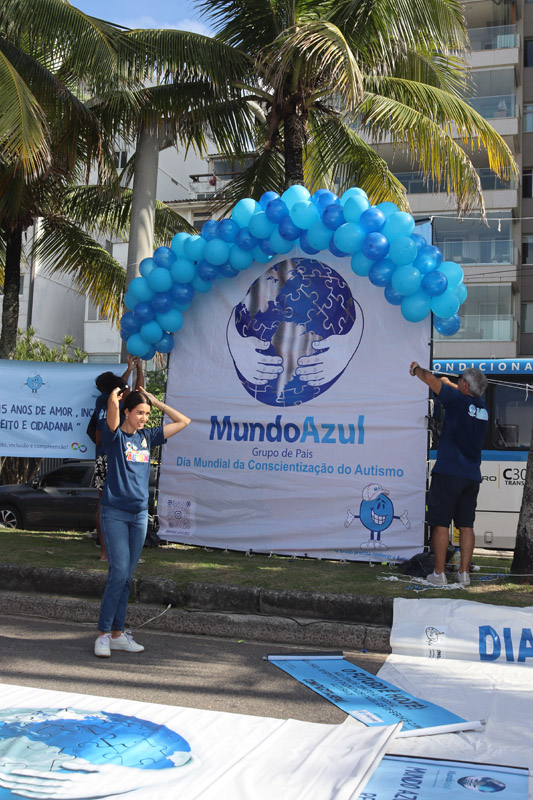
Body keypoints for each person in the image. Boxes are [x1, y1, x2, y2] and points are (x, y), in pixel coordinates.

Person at [94, 388, 191, 657]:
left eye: (147, 414)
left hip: (138, 515)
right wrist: (114, 401)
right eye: (139, 412)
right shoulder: (114, 437)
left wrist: (156, 402)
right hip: (114, 512)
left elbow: (184, 422)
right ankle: (103, 634)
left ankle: (117, 634)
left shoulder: (148, 436)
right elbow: (112, 420)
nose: (144, 418)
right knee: (118, 573)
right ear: (126, 411)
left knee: (126, 578)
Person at [409, 362, 488, 587]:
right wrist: (451, 384)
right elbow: (454, 388)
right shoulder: (483, 408)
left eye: (461, 379)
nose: (459, 381)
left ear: (465, 385)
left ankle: (439, 574)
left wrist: (417, 370)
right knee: (466, 525)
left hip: (449, 472)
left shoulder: (456, 401)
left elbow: (431, 380)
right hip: (472, 475)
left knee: (441, 523)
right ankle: (464, 574)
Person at [90, 356, 144, 560]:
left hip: (102, 458)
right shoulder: (121, 404)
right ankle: (118, 551)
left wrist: (129, 369)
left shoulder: (100, 401)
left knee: (103, 504)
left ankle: (105, 552)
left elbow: (122, 387)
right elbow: (137, 392)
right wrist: (137, 369)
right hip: (118, 458)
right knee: (123, 502)